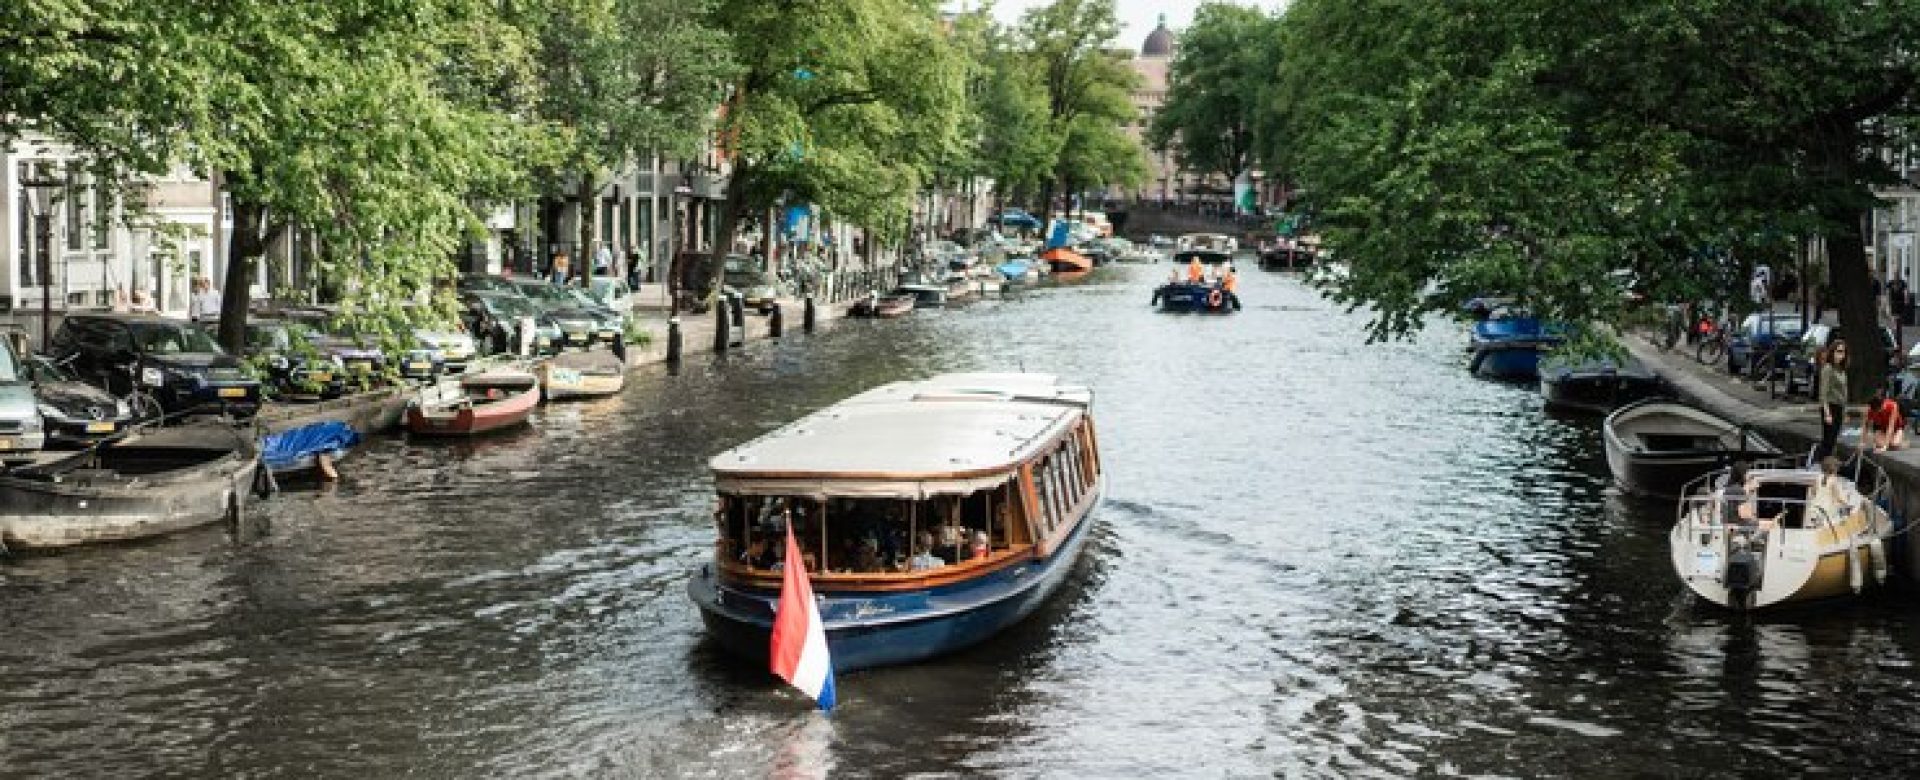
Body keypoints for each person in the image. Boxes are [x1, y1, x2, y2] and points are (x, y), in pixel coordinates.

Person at [1816, 339, 1850, 461]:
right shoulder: (1828, 368)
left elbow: (1844, 392)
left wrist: (1845, 411)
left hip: (1839, 407)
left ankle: (1827, 464)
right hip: (1829, 406)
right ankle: (1821, 463)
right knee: (1828, 439)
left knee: (1833, 438)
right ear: (1833, 352)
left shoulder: (1842, 370)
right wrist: (1827, 413)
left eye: (1843, 352)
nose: (1841, 355)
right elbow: (1823, 393)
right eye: (1838, 351)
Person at [1867, 388, 1907, 452]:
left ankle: (1901, 440)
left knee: (1894, 444)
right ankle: (1887, 440)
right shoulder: (1870, 409)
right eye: (1875, 411)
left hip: (1896, 428)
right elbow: (1866, 425)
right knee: (1880, 444)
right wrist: (1862, 442)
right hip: (1881, 428)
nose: (1877, 412)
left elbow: (1891, 426)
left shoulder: (1893, 406)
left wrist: (1885, 447)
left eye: (1878, 410)